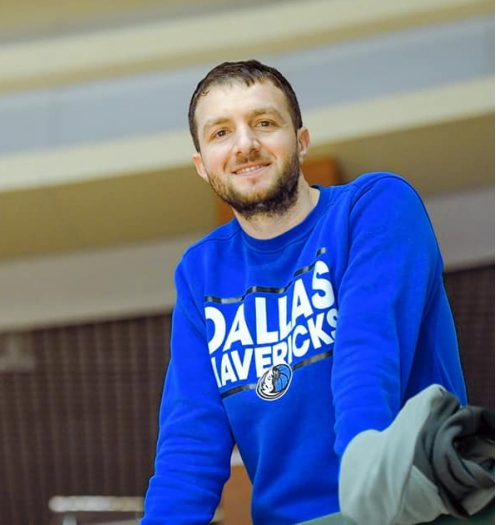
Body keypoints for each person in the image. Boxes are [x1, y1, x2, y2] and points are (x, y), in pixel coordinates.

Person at [140, 60, 468, 524]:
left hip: (406, 509)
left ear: (301, 141)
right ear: (202, 166)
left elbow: (367, 354)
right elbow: (189, 447)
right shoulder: (200, 273)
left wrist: (364, 494)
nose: (245, 145)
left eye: (264, 123)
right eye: (221, 133)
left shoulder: (374, 207)